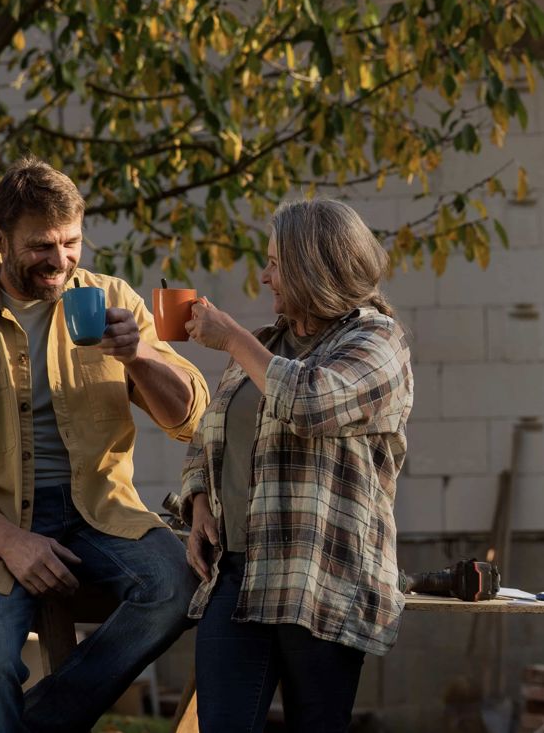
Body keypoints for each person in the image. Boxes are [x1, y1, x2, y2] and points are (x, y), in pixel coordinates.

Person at [0, 158, 210, 732]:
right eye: (43, 245)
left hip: (100, 510)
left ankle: (43, 723)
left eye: (72, 243)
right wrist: (14, 542)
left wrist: (138, 354)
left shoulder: (115, 300)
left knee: (180, 588)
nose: (61, 260)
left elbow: (191, 416)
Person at [179, 198, 414, 732]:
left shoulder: (377, 342)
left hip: (321, 575)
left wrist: (233, 339)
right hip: (238, 572)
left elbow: (311, 403)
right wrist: (197, 503)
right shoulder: (268, 345)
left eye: (276, 264)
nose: (265, 277)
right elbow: (209, 434)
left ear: (314, 266)